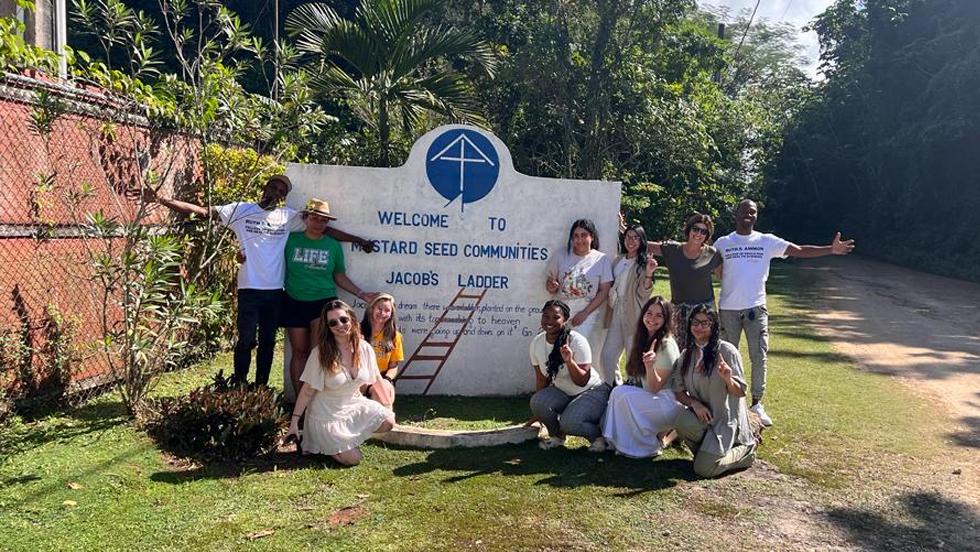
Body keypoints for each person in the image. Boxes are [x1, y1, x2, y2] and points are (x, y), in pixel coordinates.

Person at [142, 175, 373, 386]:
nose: (277, 192)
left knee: (268, 342)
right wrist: (161, 199)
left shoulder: (288, 217)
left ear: (284, 197)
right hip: (249, 288)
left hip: (275, 291)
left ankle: (261, 386)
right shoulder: (240, 211)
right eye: (274, 186)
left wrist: (357, 240)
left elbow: (324, 229)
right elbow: (203, 212)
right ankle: (240, 384)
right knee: (246, 339)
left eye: (282, 191)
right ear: (265, 187)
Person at [713, 199, 855, 426]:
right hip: (728, 309)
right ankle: (729, 401)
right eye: (744, 211)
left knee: (759, 356)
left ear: (756, 216)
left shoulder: (766, 241)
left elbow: (799, 250)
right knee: (729, 356)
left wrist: (830, 249)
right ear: (736, 214)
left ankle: (757, 403)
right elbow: (712, 264)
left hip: (756, 308)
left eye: (752, 212)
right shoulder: (723, 242)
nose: (748, 215)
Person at [282, 198, 378, 398]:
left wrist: (361, 294)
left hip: (323, 303)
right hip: (294, 301)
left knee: (318, 353)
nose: (318, 223)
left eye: (323, 221)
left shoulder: (332, 246)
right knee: (299, 353)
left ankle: (318, 401)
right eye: (314, 218)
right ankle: (301, 402)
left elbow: (339, 276)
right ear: (306, 218)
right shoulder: (290, 240)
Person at [285, 300, 395, 466]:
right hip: (326, 414)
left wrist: (387, 407)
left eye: (343, 319)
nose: (340, 325)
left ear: (351, 318)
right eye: (333, 322)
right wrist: (294, 422)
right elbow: (307, 390)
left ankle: (345, 440)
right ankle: (320, 442)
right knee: (353, 460)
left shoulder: (364, 348)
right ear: (327, 327)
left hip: (353, 404)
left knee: (388, 422)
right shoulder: (320, 353)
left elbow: (377, 379)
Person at [672, 305, 756, 478]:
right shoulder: (686, 356)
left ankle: (746, 451)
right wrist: (694, 403)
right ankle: (708, 455)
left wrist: (727, 378)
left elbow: (740, 392)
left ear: (714, 326)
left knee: (703, 470)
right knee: (682, 422)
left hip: (726, 421)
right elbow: (678, 392)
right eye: (695, 322)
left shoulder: (727, 351)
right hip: (704, 419)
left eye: (705, 323)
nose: (699, 327)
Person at [599, 297, 682, 458]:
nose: (652, 319)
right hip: (652, 396)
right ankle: (622, 442)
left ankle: (645, 447)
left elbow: (656, 387)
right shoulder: (642, 338)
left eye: (659, 315)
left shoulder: (666, 345)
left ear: (666, 319)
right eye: (649, 313)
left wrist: (650, 366)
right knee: (619, 392)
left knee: (621, 394)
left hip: (667, 401)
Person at [528, 299, 610, 452]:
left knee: (570, 423)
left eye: (556, 317)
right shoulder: (536, 343)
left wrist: (570, 361)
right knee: (537, 402)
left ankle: (598, 437)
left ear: (564, 320)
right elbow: (541, 379)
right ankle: (557, 437)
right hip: (563, 391)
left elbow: (582, 381)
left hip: (590, 391)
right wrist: (539, 412)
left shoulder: (577, 341)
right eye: (546, 316)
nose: (549, 321)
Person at [639, 212, 722, 351]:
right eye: (696, 229)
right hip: (678, 310)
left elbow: (724, 275)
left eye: (703, 231)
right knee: (679, 349)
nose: (698, 234)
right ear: (689, 229)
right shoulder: (673, 249)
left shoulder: (712, 253)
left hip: (703, 311)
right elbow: (644, 245)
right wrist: (624, 230)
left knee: (704, 348)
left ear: (707, 235)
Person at [546, 219, 613, 380]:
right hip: (561, 311)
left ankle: (579, 383)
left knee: (576, 348)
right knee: (557, 347)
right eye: (575, 236)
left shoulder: (601, 259)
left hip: (586, 311)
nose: (580, 240)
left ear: (592, 237)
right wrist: (551, 286)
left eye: (584, 235)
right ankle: (559, 383)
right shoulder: (561, 255)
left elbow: (604, 291)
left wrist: (585, 313)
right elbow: (550, 283)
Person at [598, 224, 657, 385]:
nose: (631, 241)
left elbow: (644, 293)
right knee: (607, 356)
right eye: (628, 237)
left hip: (634, 313)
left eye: (635, 238)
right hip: (615, 311)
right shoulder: (618, 260)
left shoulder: (644, 262)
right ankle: (613, 387)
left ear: (641, 240)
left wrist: (649, 274)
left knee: (633, 357)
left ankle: (634, 389)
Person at [360, 293, 402, 405]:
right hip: (361, 377)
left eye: (387, 310)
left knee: (382, 391)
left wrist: (387, 380)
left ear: (391, 313)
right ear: (371, 309)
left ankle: (386, 419)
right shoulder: (358, 331)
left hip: (382, 376)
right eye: (379, 308)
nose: (383, 313)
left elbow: (394, 366)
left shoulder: (394, 336)